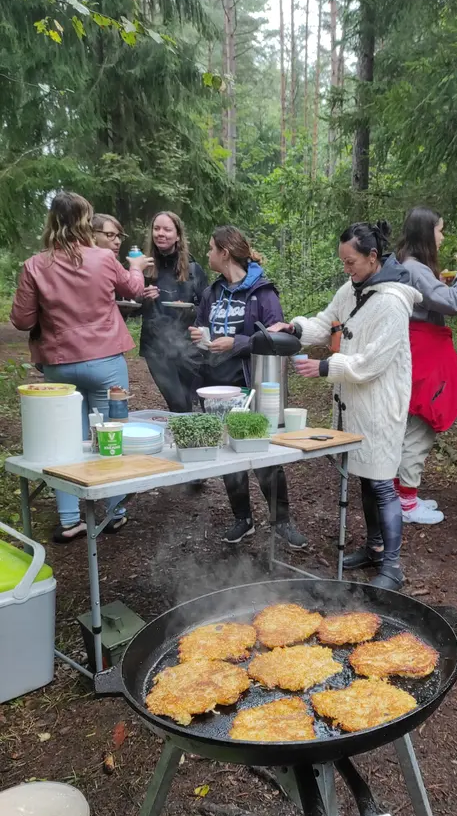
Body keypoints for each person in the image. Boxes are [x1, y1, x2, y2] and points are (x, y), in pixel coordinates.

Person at [268, 221, 421, 591]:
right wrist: (296, 329)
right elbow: (328, 322)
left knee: (382, 482)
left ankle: (394, 566)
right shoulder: (352, 290)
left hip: (381, 405)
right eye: (343, 262)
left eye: (351, 262)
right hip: (354, 404)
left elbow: (371, 363)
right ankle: (374, 547)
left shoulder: (392, 303)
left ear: (373, 257)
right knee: (366, 480)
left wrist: (324, 367)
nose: (346, 269)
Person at [10, 191, 152, 541]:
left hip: (59, 365)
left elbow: (21, 319)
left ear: (52, 222)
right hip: (105, 361)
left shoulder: (34, 265)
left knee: (66, 442)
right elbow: (134, 289)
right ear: (86, 222)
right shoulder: (103, 258)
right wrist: (135, 268)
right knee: (111, 436)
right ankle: (114, 512)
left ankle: (71, 519)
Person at [189, 226, 307, 549]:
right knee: (228, 455)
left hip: (252, 385)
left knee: (265, 455)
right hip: (215, 387)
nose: (208, 254)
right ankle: (243, 518)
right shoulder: (213, 292)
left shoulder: (263, 292)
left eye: (212, 248)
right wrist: (201, 337)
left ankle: (281, 520)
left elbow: (277, 339)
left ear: (225, 253)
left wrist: (236, 343)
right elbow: (203, 325)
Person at [396, 207, 457, 525]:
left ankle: (403, 496)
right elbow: (454, 302)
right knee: (422, 422)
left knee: (409, 425)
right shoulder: (416, 268)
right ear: (426, 233)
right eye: (440, 230)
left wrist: (441, 282)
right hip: (424, 354)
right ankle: (406, 503)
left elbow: (433, 296)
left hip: (415, 350)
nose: (442, 237)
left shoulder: (407, 264)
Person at [140, 211, 208, 412]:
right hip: (155, 347)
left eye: (167, 229)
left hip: (188, 346)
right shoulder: (143, 267)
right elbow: (130, 309)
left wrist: (190, 309)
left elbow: (207, 308)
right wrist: (142, 298)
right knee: (177, 403)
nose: (161, 233)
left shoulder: (193, 269)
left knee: (194, 400)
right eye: (157, 228)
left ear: (177, 235)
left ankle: (197, 440)